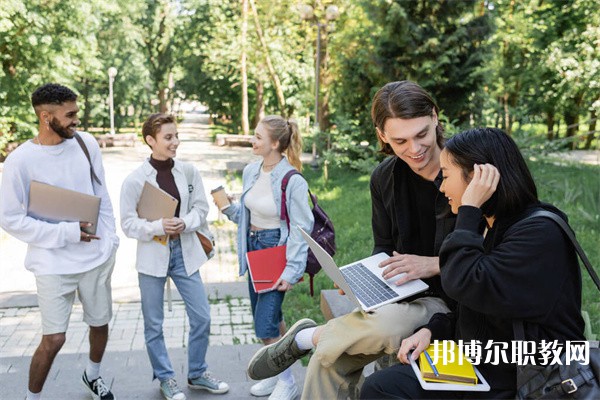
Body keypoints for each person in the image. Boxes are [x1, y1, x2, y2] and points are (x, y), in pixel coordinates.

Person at [246, 81, 456, 399]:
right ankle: (314, 340)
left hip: (451, 300)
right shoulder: (385, 178)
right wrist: (366, 275)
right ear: (382, 135)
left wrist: (431, 264)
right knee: (327, 360)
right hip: (399, 292)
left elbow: (496, 257)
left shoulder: (464, 171)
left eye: (422, 134)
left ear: (435, 118)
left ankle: (308, 337)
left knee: (377, 330)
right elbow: (383, 245)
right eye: (400, 140)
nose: (415, 149)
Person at [360, 127, 586, 399]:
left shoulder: (538, 233)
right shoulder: (492, 225)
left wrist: (468, 210)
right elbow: (481, 306)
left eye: (446, 176)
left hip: (529, 371)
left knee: (387, 389)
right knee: (382, 386)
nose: (442, 187)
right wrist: (434, 330)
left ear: (479, 178)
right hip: (483, 359)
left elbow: (463, 283)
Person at [0, 83, 119, 400]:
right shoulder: (19, 161)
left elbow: (101, 193)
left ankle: (92, 377)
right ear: (45, 116)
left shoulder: (85, 143)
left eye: (76, 113)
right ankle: (32, 397)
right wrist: (66, 232)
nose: (76, 120)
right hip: (52, 264)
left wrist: (111, 239)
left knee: (100, 324)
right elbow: (10, 218)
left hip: (96, 257)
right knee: (54, 339)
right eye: (69, 115)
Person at [120, 113, 229, 400]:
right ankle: (166, 378)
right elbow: (128, 224)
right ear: (150, 141)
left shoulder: (189, 171)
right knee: (153, 324)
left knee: (202, 317)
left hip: (185, 251)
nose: (175, 142)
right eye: (168, 137)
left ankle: (196, 373)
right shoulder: (135, 180)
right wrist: (158, 226)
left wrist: (185, 222)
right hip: (152, 255)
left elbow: (202, 209)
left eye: (176, 136)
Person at [221, 115, 314, 400]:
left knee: (265, 324)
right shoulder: (251, 171)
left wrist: (291, 270)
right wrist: (227, 208)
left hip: (276, 251)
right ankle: (277, 376)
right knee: (274, 316)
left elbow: (302, 227)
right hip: (254, 248)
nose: (253, 140)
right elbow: (250, 214)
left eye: (259, 137)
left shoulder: (292, 180)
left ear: (275, 143)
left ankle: (287, 381)